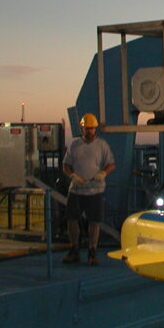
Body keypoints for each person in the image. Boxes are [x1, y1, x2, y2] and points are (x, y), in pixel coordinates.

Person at [63, 113, 115, 265]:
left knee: (94, 222)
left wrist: (103, 173)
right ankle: (74, 249)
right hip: (76, 190)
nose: (90, 131)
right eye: (87, 128)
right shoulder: (74, 145)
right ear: (82, 128)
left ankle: (92, 251)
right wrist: (72, 175)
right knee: (72, 220)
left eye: (92, 128)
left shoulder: (102, 145)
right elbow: (66, 165)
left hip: (95, 190)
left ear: (95, 129)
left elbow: (111, 164)